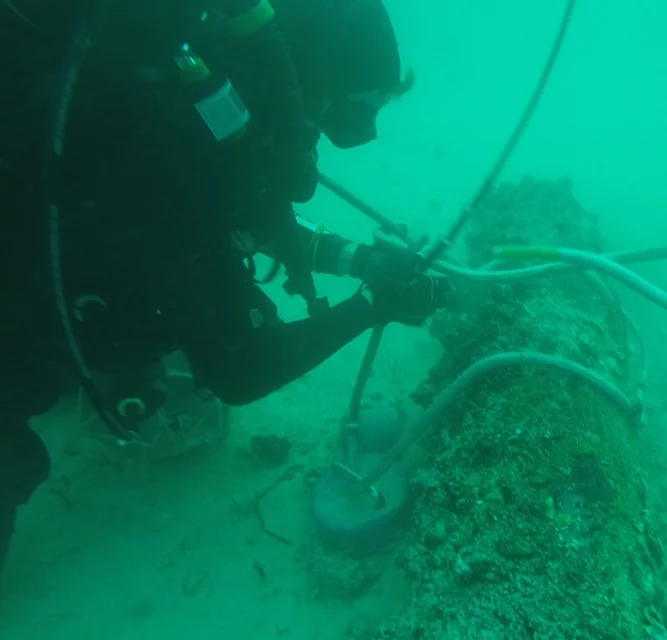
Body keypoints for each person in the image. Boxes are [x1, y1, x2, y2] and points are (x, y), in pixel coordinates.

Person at [0, 0, 449, 571]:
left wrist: (359, 261)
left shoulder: (181, 86)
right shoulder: (173, 131)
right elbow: (238, 366)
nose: (319, 145)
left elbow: (257, 219)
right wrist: (371, 305)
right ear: (300, 83)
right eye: (343, 118)